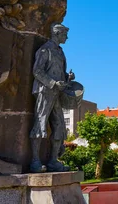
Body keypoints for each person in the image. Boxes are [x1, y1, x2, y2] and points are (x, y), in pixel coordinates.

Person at [30, 24, 74, 173]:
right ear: (56, 33)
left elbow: (59, 72)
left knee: (59, 126)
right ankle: (35, 161)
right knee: (40, 123)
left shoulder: (60, 52)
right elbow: (37, 71)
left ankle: (53, 160)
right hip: (45, 91)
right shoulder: (45, 49)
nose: (66, 37)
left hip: (57, 93)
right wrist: (53, 83)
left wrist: (67, 77)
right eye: (64, 34)